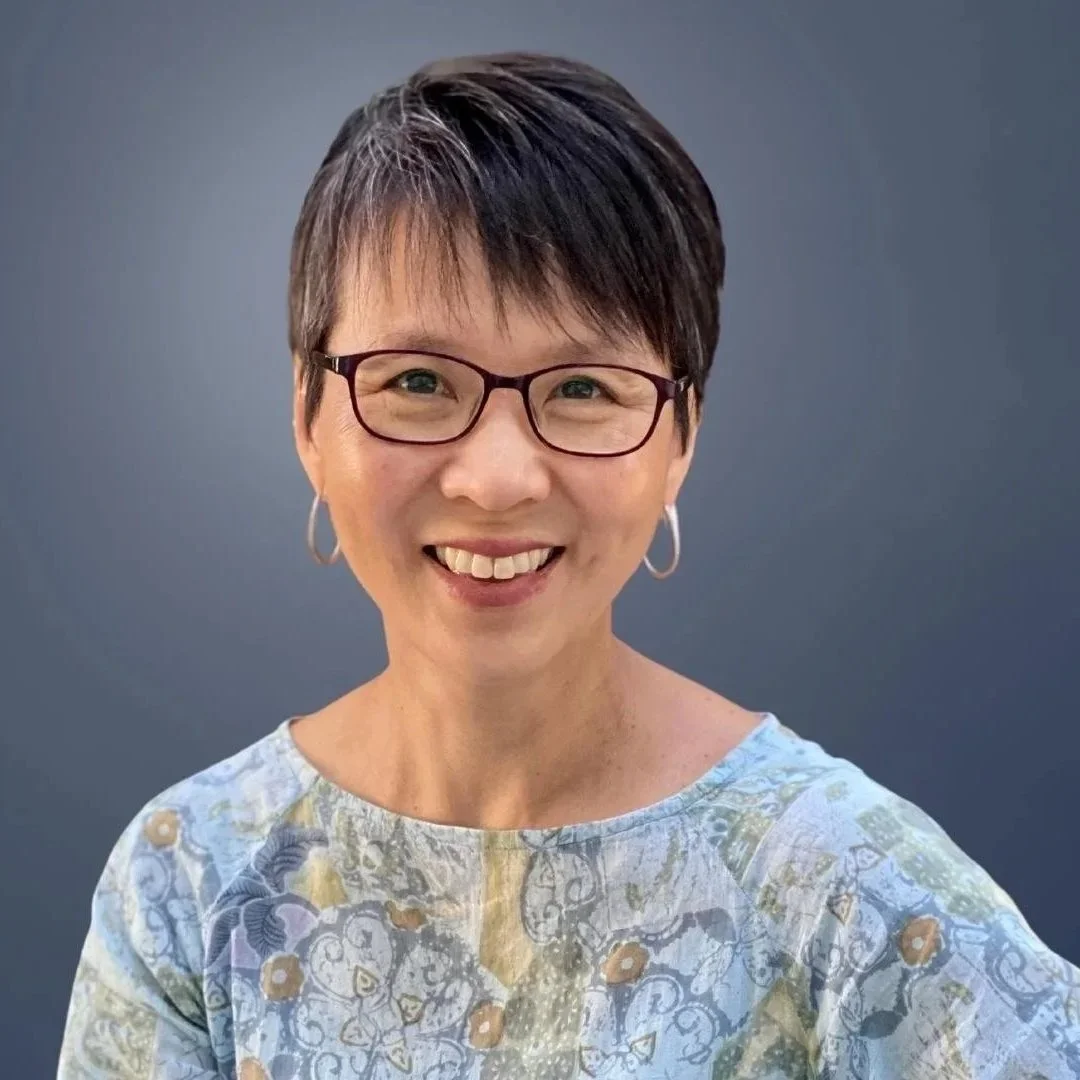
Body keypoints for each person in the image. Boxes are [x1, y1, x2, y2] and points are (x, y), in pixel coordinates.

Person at [57, 51, 1078, 1080]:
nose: (497, 478)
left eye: (584, 388)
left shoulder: (839, 883)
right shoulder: (191, 878)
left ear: (679, 437)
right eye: (417, 379)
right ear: (308, 420)